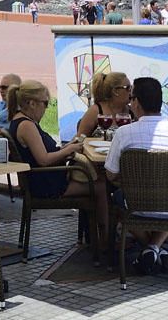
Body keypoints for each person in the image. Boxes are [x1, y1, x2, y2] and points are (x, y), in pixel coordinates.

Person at [105, 77, 168, 274]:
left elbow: (110, 175)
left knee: (115, 199)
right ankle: (157, 249)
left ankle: (149, 249)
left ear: (136, 102)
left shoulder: (124, 134)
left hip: (136, 207)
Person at [8, 80, 108, 239]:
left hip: (43, 178)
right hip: (46, 184)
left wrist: (66, 149)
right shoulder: (27, 126)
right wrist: (67, 150)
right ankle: (104, 239)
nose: (46, 108)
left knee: (96, 178)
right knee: (101, 186)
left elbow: (44, 154)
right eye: (45, 103)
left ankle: (93, 236)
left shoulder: (21, 120)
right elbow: (44, 160)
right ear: (32, 103)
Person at [77, 71, 134, 138]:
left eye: (132, 87)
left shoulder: (132, 111)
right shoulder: (96, 111)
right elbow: (80, 139)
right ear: (115, 91)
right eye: (128, 88)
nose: (131, 91)